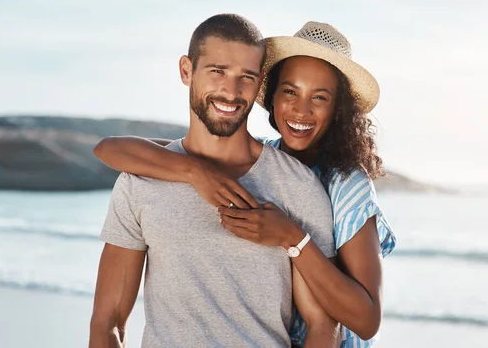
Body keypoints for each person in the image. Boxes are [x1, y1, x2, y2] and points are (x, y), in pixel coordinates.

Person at [95, 21, 397, 348]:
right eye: (290, 92)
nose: (302, 109)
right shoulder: (155, 172)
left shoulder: (332, 185)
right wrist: (195, 171)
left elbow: (349, 322)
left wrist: (293, 237)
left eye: (319, 97)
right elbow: (117, 148)